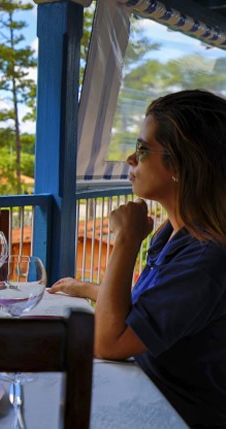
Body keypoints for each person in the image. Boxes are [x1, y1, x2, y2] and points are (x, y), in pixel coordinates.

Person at [50, 90, 226, 428]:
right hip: (147, 392)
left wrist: (126, 240)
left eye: (142, 150)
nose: (131, 159)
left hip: (176, 414)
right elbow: (144, 309)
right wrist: (85, 287)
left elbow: (109, 342)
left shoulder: (206, 258)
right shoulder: (177, 233)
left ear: (181, 164)